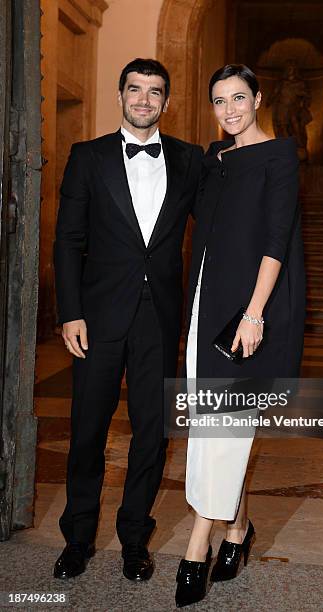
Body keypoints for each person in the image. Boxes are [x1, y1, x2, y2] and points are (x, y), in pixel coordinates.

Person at [53, 58, 203, 582]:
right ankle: (77, 538)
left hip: (159, 318)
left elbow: (216, 227)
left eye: (154, 91)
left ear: (167, 101)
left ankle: (135, 540)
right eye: (134, 90)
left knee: (150, 434)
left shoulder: (189, 160)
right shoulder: (87, 156)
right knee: (87, 431)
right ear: (120, 96)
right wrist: (69, 311)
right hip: (95, 318)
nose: (144, 100)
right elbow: (68, 240)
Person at [175, 64, 305, 607]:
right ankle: (237, 530)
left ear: (257, 98)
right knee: (211, 426)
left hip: (248, 310)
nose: (229, 110)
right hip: (205, 301)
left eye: (238, 98)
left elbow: (276, 241)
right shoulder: (212, 159)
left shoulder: (278, 156)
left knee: (224, 428)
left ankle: (195, 546)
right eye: (219, 101)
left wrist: (254, 314)